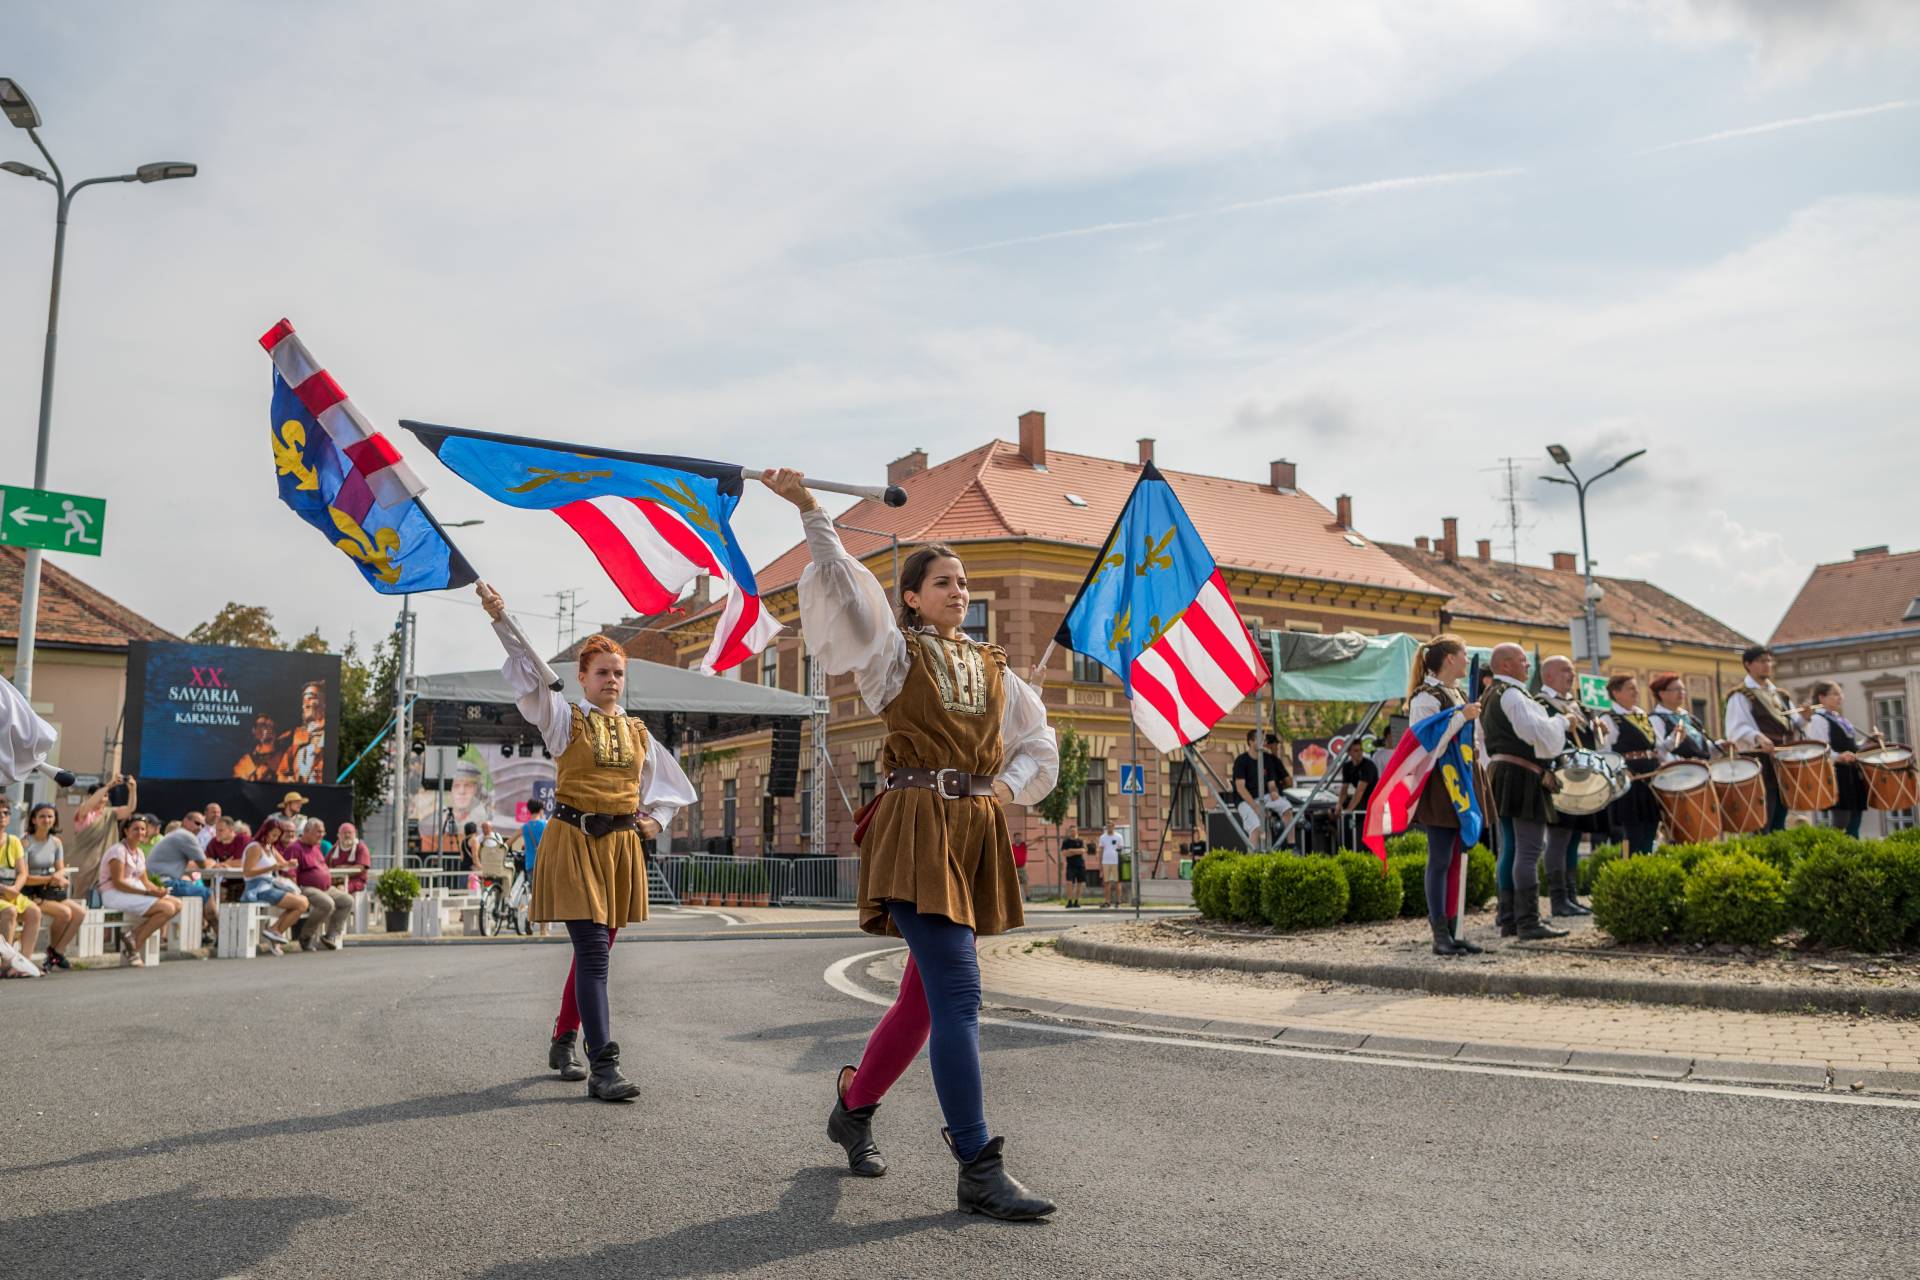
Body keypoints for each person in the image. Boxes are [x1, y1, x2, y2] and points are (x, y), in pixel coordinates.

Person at [766, 467, 1059, 1220]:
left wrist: (1002, 787)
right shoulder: (892, 654)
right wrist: (811, 510)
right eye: (943, 582)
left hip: (973, 829)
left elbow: (1041, 747)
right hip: (917, 825)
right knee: (959, 991)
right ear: (912, 596)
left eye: (964, 582)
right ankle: (976, 1162)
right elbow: (844, 584)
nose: (959, 592)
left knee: (923, 1002)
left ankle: (853, 1106)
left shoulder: (997, 672)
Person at [478, 581, 696, 1103]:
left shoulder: (641, 733)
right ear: (582, 678)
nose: (612, 680)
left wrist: (656, 823)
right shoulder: (563, 718)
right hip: (573, 841)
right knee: (594, 953)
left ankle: (561, 1040)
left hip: (619, 849)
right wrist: (502, 617)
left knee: (597, 951)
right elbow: (529, 664)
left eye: (619, 673)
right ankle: (604, 1066)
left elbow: (670, 788)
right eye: (602, 672)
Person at [1479, 644, 1570, 941]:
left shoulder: (1492, 694)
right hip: (1521, 775)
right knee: (1529, 849)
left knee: (1511, 849)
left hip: (1503, 772)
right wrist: (1562, 721)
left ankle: (1509, 919)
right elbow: (1534, 732)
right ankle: (1528, 922)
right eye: (1522, 660)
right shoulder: (1513, 694)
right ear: (1505, 665)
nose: (1528, 665)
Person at [1406, 635, 1485, 957]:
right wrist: (1460, 718)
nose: (1467, 660)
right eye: (1464, 654)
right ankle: (1439, 933)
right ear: (1450, 659)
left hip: (1462, 779)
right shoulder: (1425, 697)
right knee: (1439, 860)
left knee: (1457, 859)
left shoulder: (1458, 694)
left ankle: (1455, 930)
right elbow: (1427, 745)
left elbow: (1468, 738)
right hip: (1440, 783)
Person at [1537, 657, 1596, 917]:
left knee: (1572, 838)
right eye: (1565, 671)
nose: (1571, 676)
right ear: (1548, 675)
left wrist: (1596, 727)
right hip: (1560, 776)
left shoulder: (1576, 703)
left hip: (1580, 777)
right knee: (1558, 839)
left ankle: (1570, 895)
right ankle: (1558, 898)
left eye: (1572, 672)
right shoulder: (1541, 703)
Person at [1724, 645, 1796, 833]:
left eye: (1769, 660)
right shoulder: (1741, 695)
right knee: (1764, 814)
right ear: (1748, 664)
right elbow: (1736, 727)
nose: (1767, 665)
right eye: (1761, 661)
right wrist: (1757, 737)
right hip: (1759, 761)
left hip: (1783, 759)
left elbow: (1792, 723)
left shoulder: (1781, 695)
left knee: (1781, 814)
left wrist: (1804, 717)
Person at [1600, 675, 1674, 855]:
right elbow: (1604, 751)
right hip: (1630, 779)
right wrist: (1621, 771)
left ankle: (1645, 865)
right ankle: (1630, 868)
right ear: (1616, 693)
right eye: (1630, 688)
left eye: (1636, 688)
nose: (1636, 692)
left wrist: (1674, 739)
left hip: (1649, 777)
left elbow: (1659, 747)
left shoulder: (1641, 715)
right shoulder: (1609, 718)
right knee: (1634, 831)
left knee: (1650, 827)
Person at [98, 814, 183, 967]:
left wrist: (158, 890)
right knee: (166, 908)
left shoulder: (139, 853)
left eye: (143, 829)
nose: (140, 832)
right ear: (126, 831)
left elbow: (145, 881)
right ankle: (134, 947)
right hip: (114, 894)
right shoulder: (118, 851)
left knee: (177, 903)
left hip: (134, 892)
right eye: (135, 829)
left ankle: (133, 937)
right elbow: (118, 883)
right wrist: (147, 893)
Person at [1800, 681, 1872, 839]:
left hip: (1851, 773)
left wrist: (1866, 743)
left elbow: (1850, 746)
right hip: (1836, 773)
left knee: (1855, 818)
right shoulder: (1819, 719)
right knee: (1842, 821)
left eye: (1840, 693)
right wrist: (1838, 757)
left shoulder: (1839, 718)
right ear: (1821, 697)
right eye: (1835, 694)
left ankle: (1854, 852)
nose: (1840, 697)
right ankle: (1836, 852)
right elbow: (1819, 749)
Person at [18, 803, 85, 969]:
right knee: (65, 913)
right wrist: (51, 878)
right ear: (33, 820)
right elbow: (25, 878)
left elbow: (60, 869)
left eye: (50, 816)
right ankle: (53, 953)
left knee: (80, 913)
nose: (46, 820)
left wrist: (59, 877)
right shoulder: (25, 842)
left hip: (50, 891)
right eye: (42, 816)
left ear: (55, 820)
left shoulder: (56, 842)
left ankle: (56, 952)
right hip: (31, 891)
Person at [238, 817, 309, 954]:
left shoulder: (270, 847)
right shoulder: (255, 847)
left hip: (268, 886)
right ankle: (275, 931)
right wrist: (271, 867)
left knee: (303, 901)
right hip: (256, 888)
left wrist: (291, 863)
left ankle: (275, 930)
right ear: (265, 832)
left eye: (278, 836)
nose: (275, 839)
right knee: (301, 904)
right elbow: (247, 872)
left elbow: (283, 865)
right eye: (273, 835)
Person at [144, 811, 216, 942]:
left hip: (155, 883)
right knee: (208, 893)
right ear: (186, 821)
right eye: (197, 823)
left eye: (202, 826)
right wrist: (214, 862)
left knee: (198, 889)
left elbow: (190, 864)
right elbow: (203, 864)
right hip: (164, 884)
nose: (199, 828)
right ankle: (218, 934)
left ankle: (206, 932)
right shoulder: (186, 836)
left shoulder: (175, 835)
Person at [67, 774, 137, 903]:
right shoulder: (83, 812)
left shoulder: (111, 813)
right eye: (99, 795)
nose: (102, 799)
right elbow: (90, 804)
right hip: (84, 864)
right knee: (80, 898)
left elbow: (130, 809)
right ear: (90, 797)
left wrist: (132, 790)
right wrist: (109, 785)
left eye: (105, 795)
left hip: (105, 864)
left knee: (103, 900)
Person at [287, 818, 353, 950]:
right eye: (318, 832)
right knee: (327, 904)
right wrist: (296, 894)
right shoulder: (295, 848)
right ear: (307, 831)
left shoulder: (316, 847)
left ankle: (330, 936)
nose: (322, 835)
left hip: (326, 888)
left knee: (347, 900)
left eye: (323, 832)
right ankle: (305, 936)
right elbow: (290, 873)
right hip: (305, 888)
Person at [0, 800, 44, 973]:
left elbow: (22, 873)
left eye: (5, 813)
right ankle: (6, 962)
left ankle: (23, 963)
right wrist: (5, 890)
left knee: (34, 911)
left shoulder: (13, 841)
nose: (2, 817)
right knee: (10, 911)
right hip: (4, 892)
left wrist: (15, 889)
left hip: (11, 891)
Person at [1648, 675, 1714, 762]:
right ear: (1662, 693)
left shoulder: (1690, 718)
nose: (1681, 692)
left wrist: (1719, 747)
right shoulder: (1655, 719)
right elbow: (1658, 750)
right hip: (1679, 771)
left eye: (1683, 689)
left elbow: (1699, 747)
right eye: (1676, 689)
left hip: (1702, 768)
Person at [1337, 738, 1379, 849]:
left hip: (1371, 800)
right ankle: (1337, 839)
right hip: (1360, 799)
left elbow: (1360, 791)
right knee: (1331, 812)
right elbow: (1344, 789)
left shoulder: (1368, 766)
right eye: (1356, 751)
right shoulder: (1347, 766)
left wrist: (1349, 810)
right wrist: (1338, 805)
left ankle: (1354, 846)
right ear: (1349, 752)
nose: (1359, 753)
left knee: (1350, 814)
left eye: (1360, 750)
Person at [518, 800, 550, 936]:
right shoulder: (546, 825)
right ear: (541, 810)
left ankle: (529, 916)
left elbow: (509, 841)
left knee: (534, 894)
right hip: (545, 863)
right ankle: (544, 930)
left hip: (530, 864)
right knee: (545, 896)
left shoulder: (525, 827)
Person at [327, 821, 372, 894]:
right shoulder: (334, 849)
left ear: (355, 834)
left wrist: (342, 869)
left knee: (340, 890)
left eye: (349, 833)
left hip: (355, 881)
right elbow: (325, 866)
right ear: (339, 835)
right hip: (335, 880)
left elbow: (361, 867)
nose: (347, 835)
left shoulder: (361, 848)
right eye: (344, 833)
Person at [1096, 820, 1124, 908]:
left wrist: (1120, 861)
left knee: (1117, 882)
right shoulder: (1103, 837)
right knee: (1106, 882)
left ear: (1113, 826)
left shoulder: (1119, 836)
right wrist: (1100, 863)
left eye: (1111, 826)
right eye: (1107, 826)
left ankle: (1118, 901)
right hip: (1106, 862)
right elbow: (1101, 850)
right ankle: (1107, 901)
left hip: (1116, 861)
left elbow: (1121, 849)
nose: (1109, 828)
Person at [1060, 831, 1086, 908]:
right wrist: (1076, 851)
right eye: (1071, 831)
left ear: (1077, 831)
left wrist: (1071, 850)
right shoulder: (1066, 842)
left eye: (1074, 831)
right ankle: (1069, 901)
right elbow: (1064, 853)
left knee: (1080, 884)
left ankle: (1077, 901)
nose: (1073, 832)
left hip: (1080, 865)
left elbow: (1083, 851)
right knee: (1069, 883)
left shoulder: (1081, 840)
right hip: (1070, 865)